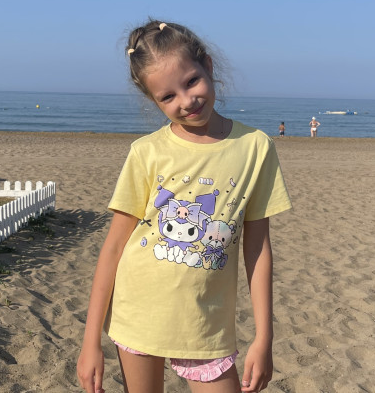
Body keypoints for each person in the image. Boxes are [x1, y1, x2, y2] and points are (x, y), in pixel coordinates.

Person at [77, 20, 292, 393]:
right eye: (167, 97)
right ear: (153, 101)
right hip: (138, 314)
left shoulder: (256, 147)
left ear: (208, 66)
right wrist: (89, 342)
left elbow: (258, 248)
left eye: (191, 81)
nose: (187, 101)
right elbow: (113, 247)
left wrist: (264, 338)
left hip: (206, 325)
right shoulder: (146, 152)